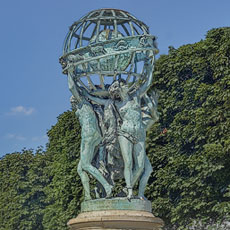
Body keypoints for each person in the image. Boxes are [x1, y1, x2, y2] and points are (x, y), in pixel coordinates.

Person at [82, 59, 154, 199]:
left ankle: (128, 189)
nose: (127, 86)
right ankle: (129, 191)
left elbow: (147, 84)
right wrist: (86, 95)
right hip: (125, 133)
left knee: (139, 167)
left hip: (139, 134)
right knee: (128, 163)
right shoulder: (115, 104)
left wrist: (149, 67)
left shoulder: (136, 98)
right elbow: (98, 100)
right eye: (123, 85)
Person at [67, 66, 113, 200]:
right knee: (80, 168)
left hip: (88, 135)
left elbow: (71, 87)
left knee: (86, 165)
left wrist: (69, 72)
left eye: (72, 100)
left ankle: (107, 186)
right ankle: (87, 196)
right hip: (96, 136)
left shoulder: (82, 103)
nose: (71, 102)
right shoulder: (89, 106)